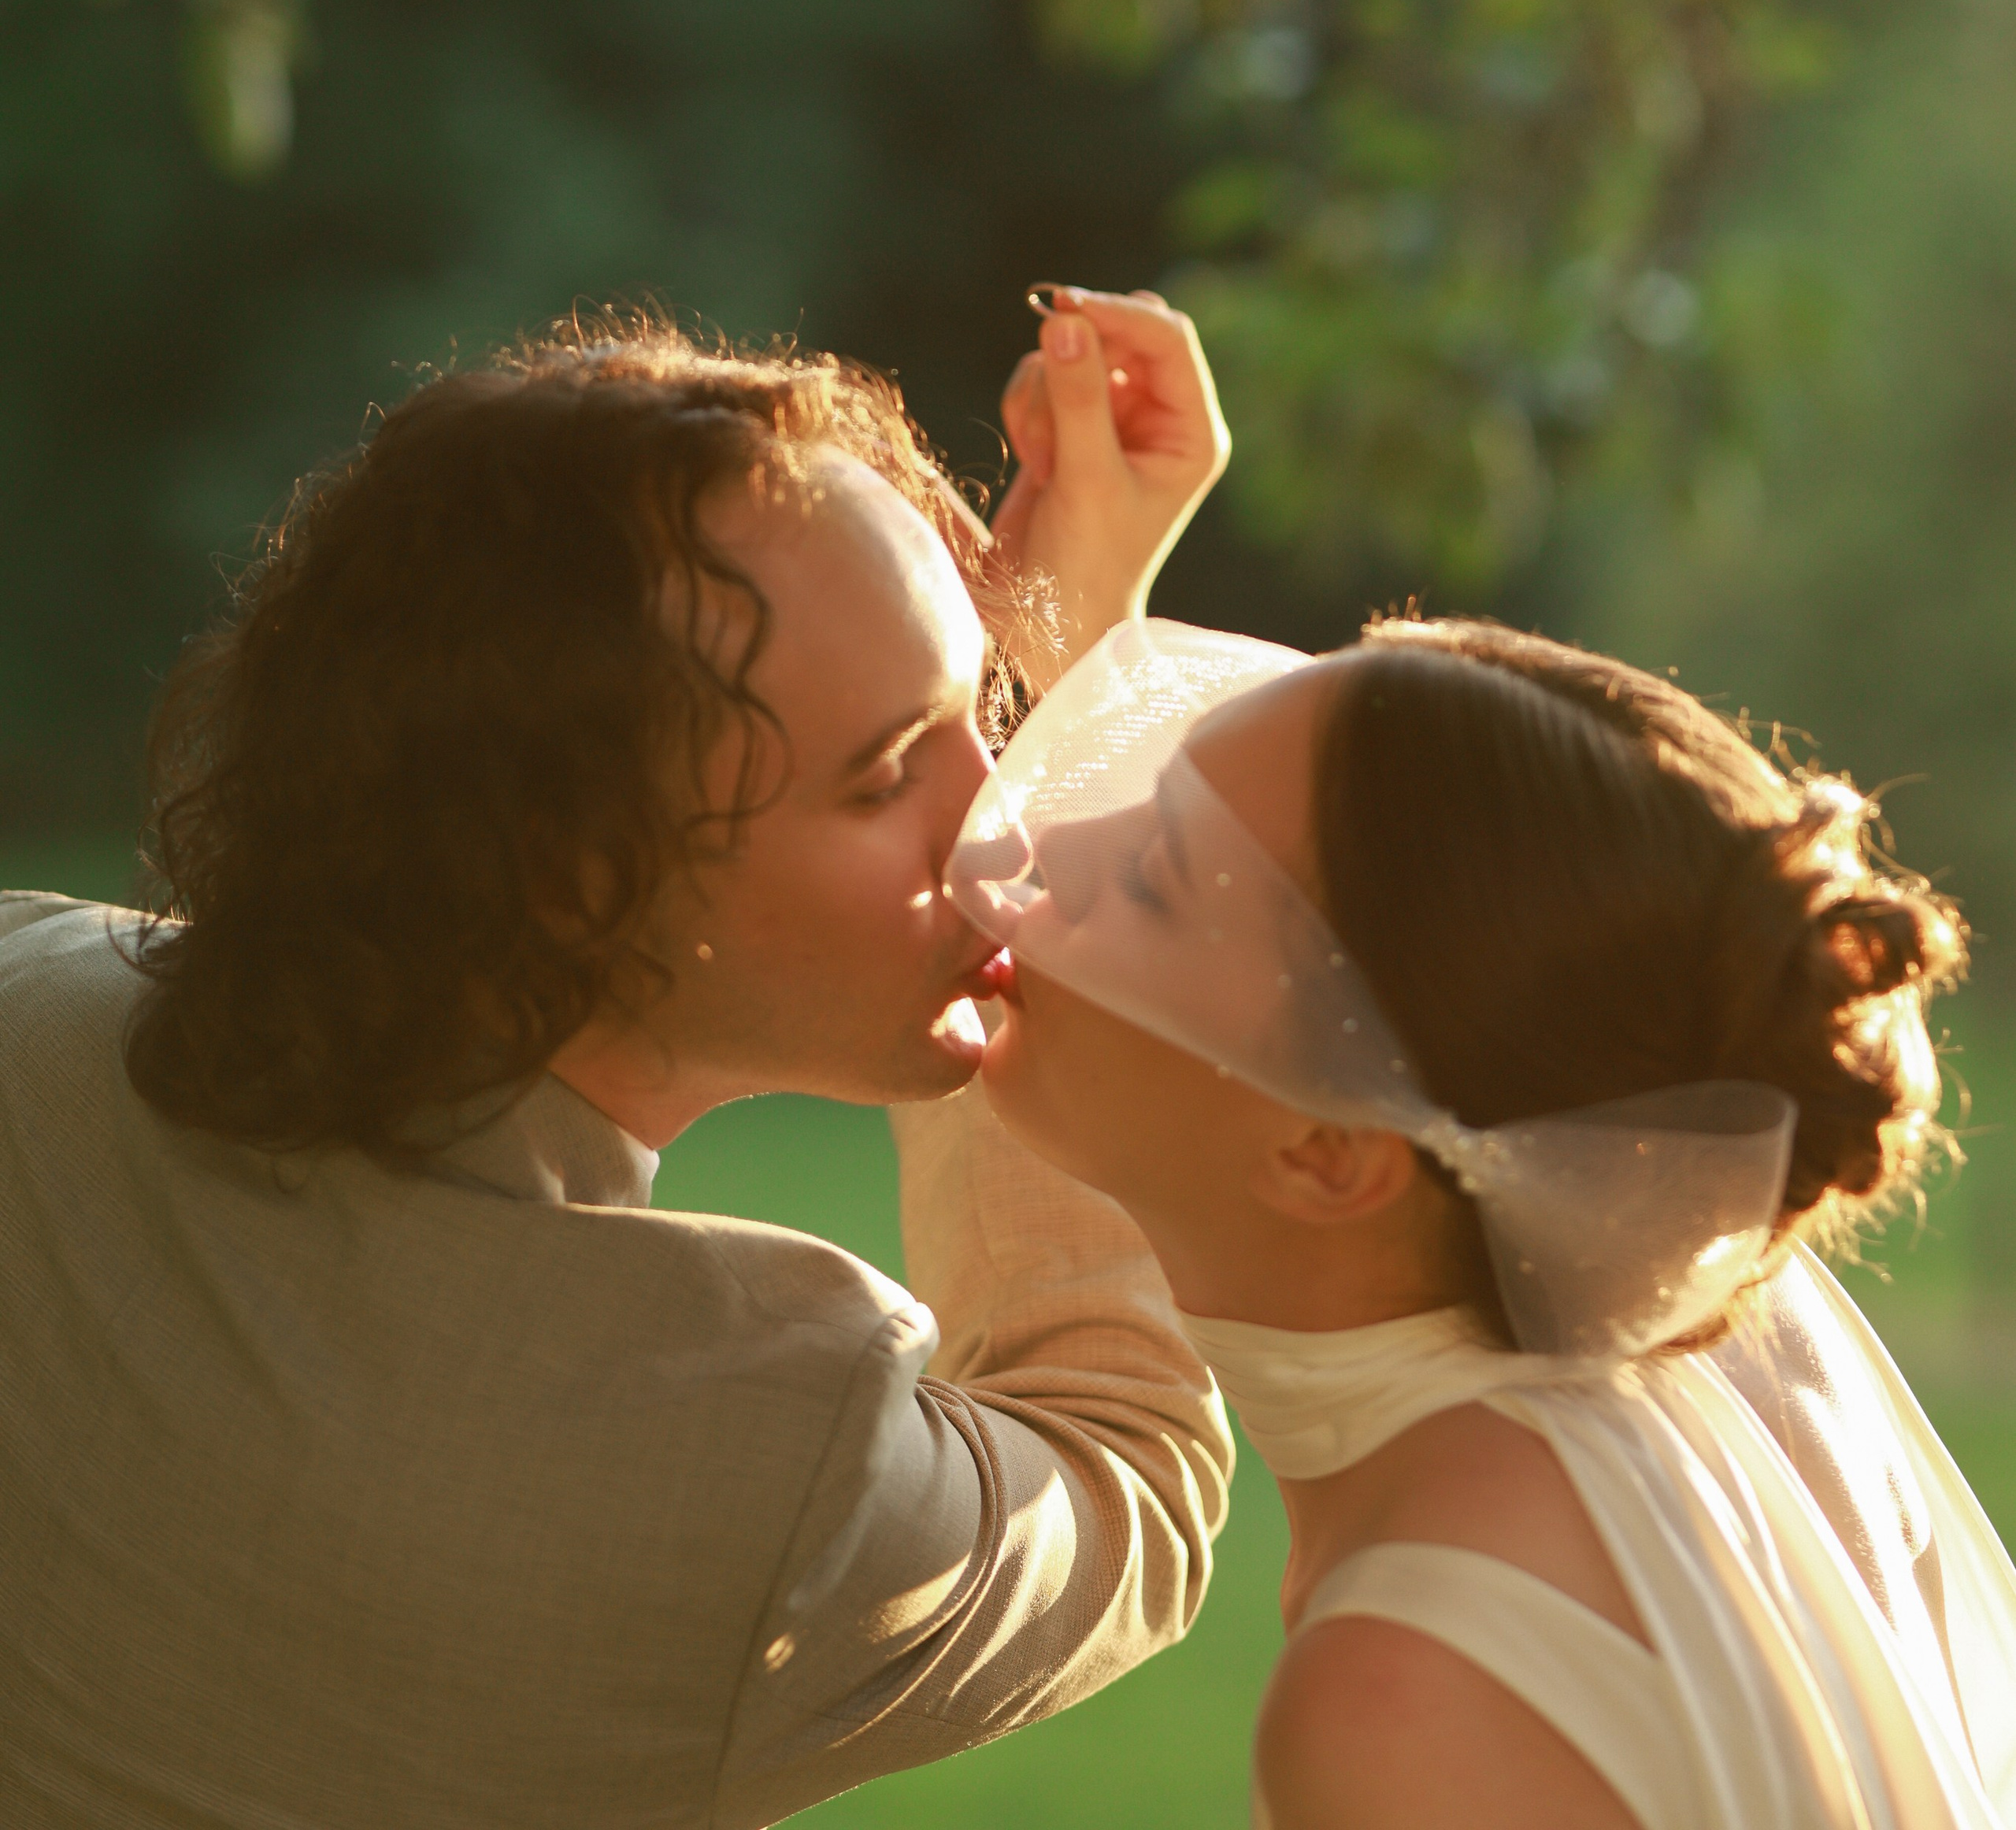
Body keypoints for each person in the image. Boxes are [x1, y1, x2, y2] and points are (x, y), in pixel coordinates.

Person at [0, 288, 1236, 1830]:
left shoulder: (19, 1005)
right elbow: (1122, 1468)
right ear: (574, 876)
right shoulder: (769, 1456)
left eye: (982, 709)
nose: (1003, 812)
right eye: (880, 774)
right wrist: (1086, 678)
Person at [956, 613, 2016, 1829]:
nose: (1056, 837)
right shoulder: (1719, 1317)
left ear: (1330, 1148)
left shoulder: (1414, 1699)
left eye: (1153, 877)